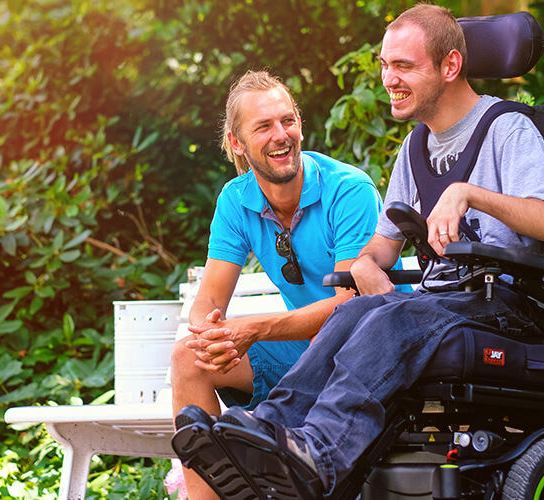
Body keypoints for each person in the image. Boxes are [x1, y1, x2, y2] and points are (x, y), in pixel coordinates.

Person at [171, 4, 544, 498]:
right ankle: (265, 439)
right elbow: (381, 247)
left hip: (508, 306)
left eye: (402, 66)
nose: (389, 79)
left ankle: (319, 453)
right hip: (444, 304)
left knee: (389, 317)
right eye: (385, 65)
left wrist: (469, 193)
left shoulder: (508, 129)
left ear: (449, 67)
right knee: (355, 312)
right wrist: (364, 266)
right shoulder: (415, 148)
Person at [170, 69, 400, 500]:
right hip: (301, 347)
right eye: (264, 126)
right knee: (189, 357)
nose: (282, 135)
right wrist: (212, 335)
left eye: (288, 120)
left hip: (364, 347)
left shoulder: (348, 189)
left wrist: (254, 329)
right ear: (237, 143)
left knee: (331, 331)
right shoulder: (236, 200)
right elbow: (207, 301)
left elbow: (350, 306)